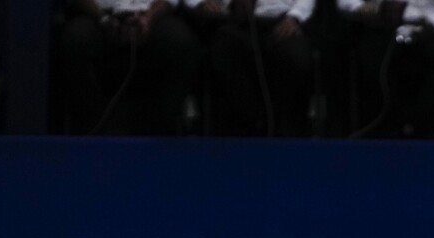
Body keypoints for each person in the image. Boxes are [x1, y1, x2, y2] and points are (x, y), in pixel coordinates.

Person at [57, 0, 205, 136]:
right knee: (74, 39)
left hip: (152, 16)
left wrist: (148, 19)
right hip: (99, 16)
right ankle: (94, 125)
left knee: (183, 44)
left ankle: (162, 126)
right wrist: (105, 19)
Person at [341, 0, 434, 139]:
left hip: (428, 27)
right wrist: (363, 8)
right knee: (365, 60)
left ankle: (421, 125)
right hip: (379, 27)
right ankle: (380, 130)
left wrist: (432, 23)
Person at [191, 0, 314, 137]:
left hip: (283, 19)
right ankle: (248, 127)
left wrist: (295, 17)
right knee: (223, 50)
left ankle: (286, 132)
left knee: (296, 57)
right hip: (231, 20)